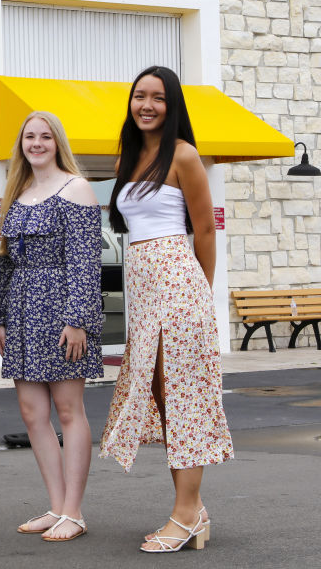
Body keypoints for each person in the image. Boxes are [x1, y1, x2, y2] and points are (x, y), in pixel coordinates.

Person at [100, 66, 233, 553]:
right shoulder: (131, 157)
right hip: (143, 288)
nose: (147, 105)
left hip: (179, 284)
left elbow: (205, 231)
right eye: (140, 96)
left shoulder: (184, 154)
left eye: (157, 97)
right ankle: (191, 512)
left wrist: (200, 294)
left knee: (183, 395)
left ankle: (185, 514)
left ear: (171, 104)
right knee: (162, 393)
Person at [0, 112, 103, 543]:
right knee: (32, 414)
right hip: (22, 311)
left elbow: (85, 262)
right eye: (29, 137)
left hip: (61, 312)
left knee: (69, 411)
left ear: (57, 142)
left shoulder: (74, 187)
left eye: (44, 137)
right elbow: (6, 262)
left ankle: (74, 511)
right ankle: (56, 506)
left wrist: (78, 320)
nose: (36, 143)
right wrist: (1, 317)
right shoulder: (18, 193)